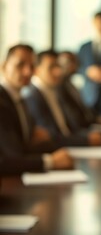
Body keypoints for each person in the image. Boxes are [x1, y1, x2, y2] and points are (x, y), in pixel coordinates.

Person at [0, 44, 73, 175]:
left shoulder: (20, 100)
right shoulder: (2, 101)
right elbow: (8, 157)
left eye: (31, 66)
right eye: (20, 65)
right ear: (4, 66)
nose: (28, 72)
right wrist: (50, 161)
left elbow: (24, 146)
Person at [25, 50, 101, 147]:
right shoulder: (32, 96)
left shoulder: (54, 90)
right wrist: (86, 140)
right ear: (36, 70)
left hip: (69, 145)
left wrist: (87, 135)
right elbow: (50, 136)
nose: (58, 72)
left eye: (58, 66)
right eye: (51, 67)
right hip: (59, 150)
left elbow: (67, 129)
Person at [58, 51, 95, 129]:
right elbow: (72, 117)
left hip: (85, 127)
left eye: (74, 62)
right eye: (68, 62)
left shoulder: (71, 85)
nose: (73, 65)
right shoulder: (59, 87)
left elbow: (83, 111)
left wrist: (97, 120)